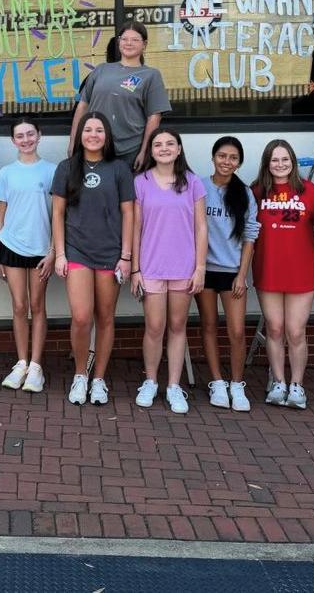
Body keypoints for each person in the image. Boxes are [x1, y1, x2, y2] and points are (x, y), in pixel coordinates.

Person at [52, 111, 134, 406]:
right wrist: (60, 253)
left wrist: (126, 256)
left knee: (106, 317)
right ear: (80, 135)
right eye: (88, 130)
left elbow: (129, 213)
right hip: (77, 251)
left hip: (111, 253)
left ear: (107, 136)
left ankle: (98, 378)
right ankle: (80, 375)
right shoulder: (66, 167)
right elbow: (57, 213)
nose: (94, 135)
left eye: (100, 130)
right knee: (81, 317)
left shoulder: (119, 169)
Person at [131, 128, 207, 414]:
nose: (164, 148)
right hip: (151, 266)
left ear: (178, 149)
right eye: (158, 144)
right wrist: (136, 269)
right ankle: (151, 381)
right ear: (151, 151)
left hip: (183, 267)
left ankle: (174, 385)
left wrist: (200, 268)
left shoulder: (193, 182)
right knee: (154, 327)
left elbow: (201, 227)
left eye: (169, 144)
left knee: (177, 326)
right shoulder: (141, 182)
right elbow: (136, 228)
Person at [252, 139, 314, 410]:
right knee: (275, 328)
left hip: (301, 270)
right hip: (268, 269)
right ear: (267, 164)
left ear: (293, 162)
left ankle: (297, 384)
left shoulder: (309, 190)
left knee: (296, 331)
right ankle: (279, 381)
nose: (280, 164)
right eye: (274, 160)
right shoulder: (257, 191)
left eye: (285, 159)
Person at [0, 118, 55, 393]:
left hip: (41, 249)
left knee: (37, 305)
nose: (26, 139)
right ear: (13, 141)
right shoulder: (6, 173)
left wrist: (54, 251)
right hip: (11, 245)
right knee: (19, 306)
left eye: (31, 134)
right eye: (20, 136)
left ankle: (36, 367)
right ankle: (21, 363)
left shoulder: (52, 171)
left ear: (39, 135)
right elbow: (0, 214)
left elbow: (59, 215)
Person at [197, 136, 259, 412]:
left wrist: (242, 275)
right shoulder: (199, 187)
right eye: (222, 156)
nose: (227, 161)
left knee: (236, 331)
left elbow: (250, 236)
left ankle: (237, 384)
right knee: (209, 326)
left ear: (239, 162)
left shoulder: (244, 193)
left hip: (232, 271)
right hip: (204, 271)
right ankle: (218, 382)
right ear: (213, 157)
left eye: (233, 158)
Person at [70, 21, 171, 171]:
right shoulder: (101, 70)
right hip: (94, 147)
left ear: (144, 44)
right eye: (124, 39)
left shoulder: (151, 75)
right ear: (119, 42)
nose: (129, 43)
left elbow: (154, 117)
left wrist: (145, 151)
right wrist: (73, 142)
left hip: (130, 151)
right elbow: (82, 106)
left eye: (135, 40)